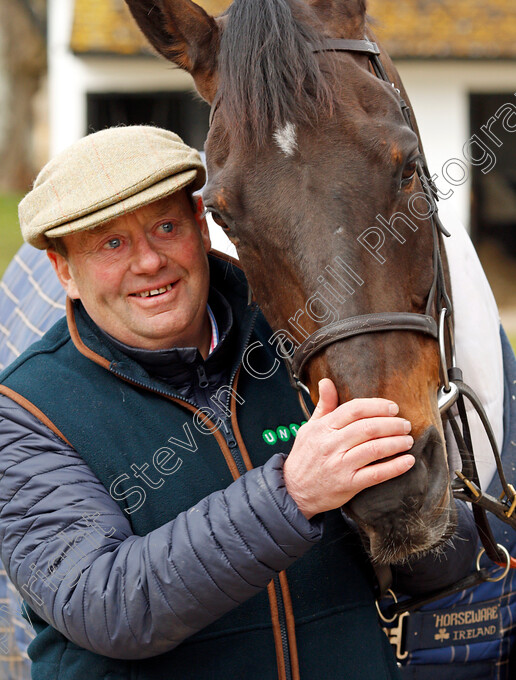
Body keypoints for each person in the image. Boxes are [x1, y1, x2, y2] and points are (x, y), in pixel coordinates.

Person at [0, 125, 478, 680]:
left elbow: (435, 566)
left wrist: (411, 501)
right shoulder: (26, 409)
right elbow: (106, 606)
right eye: (111, 243)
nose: (149, 261)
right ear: (65, 272)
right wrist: (294, 494)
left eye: (165, 227)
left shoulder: (296, 339)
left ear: (202, 228)